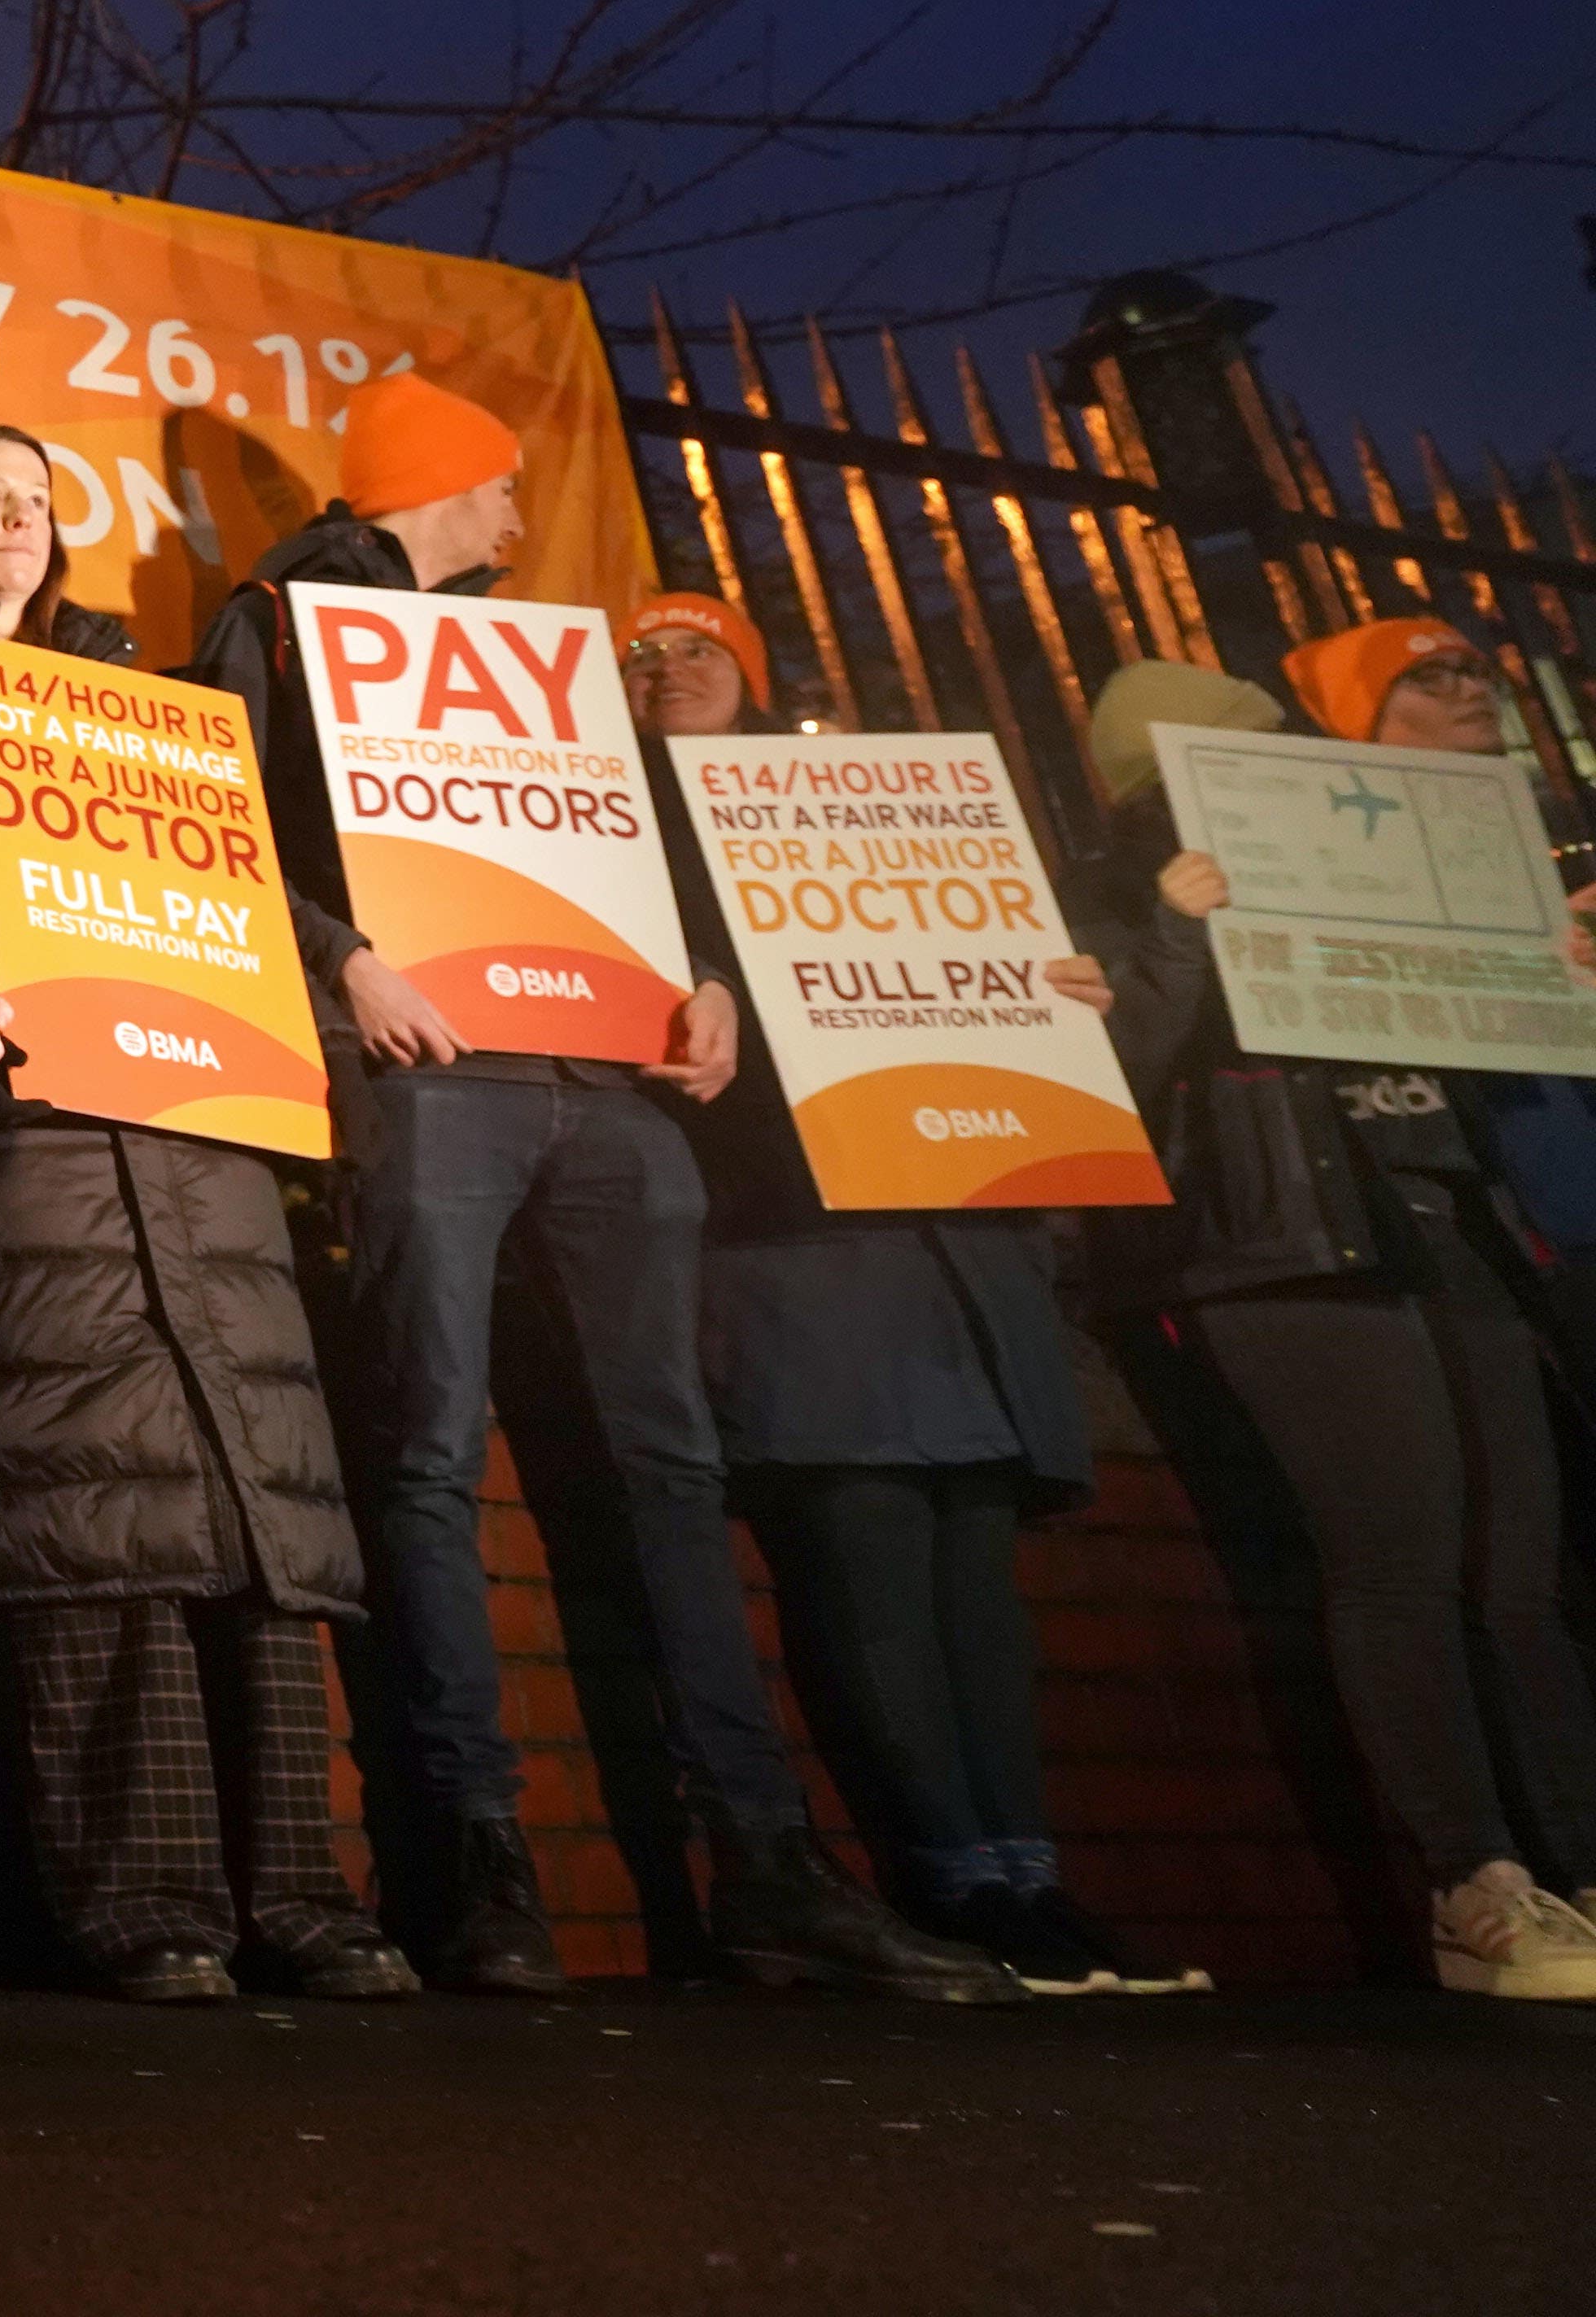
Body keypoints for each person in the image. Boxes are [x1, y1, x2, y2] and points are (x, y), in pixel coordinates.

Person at [190, 371, 1011, 2002]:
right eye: (498, 485)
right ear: (441, 480)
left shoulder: (531, 651)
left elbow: (611, 837)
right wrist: (341, 958)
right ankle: (471, 1856)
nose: (514, 514)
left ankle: (762, 1863)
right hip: (428, 1072)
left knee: (670, 1461)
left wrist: (698, 978)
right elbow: (218, 811)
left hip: (603, 1079)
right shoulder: (278, 618)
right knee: (425, 1449)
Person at [0, 425, 417, 2005]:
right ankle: (145, 1902)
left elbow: (237, 862)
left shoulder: (143, 696)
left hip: (197, 1135)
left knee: (254, 1520)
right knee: (94, 1511)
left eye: (41, 498)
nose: (22, 520)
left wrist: (342, 956)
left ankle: (299, 1898)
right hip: (27, 1136)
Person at [623, 591, 1199, 1997]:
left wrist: (1065, 990)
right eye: (640, 657)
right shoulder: (620, 829)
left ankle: (1024, 1875)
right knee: (867, 1548)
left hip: (951, 1226)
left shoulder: (873, 803)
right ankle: (949, 1880)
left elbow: (1044, 1005)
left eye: (698, 647)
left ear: (754, 675)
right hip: (793, 1232)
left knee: (970, 1574)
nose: (669, 670)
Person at [1086, 627, 1596, 2004]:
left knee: (1517, 1566)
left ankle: (1577, 1868)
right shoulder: (1117, 894)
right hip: (1285, 1251)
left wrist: (1550, 977)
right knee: (1401, 1558)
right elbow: (1114, 1066)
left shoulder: (1343, 860)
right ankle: (1473, 1881)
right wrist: (1176, 930)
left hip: (1442, 1216)